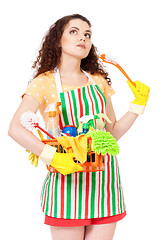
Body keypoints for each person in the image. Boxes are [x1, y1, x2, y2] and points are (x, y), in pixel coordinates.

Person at [8, 14, 150, 240]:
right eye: (74, 31)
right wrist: (52, 157)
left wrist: (137, 107)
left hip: (104, 183)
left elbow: (110, 134)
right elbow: (15, 128)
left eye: (87, 34)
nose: (83, 37)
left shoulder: (98, 81)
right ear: (58, 40)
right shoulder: (44, 82)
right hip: (67, 183)